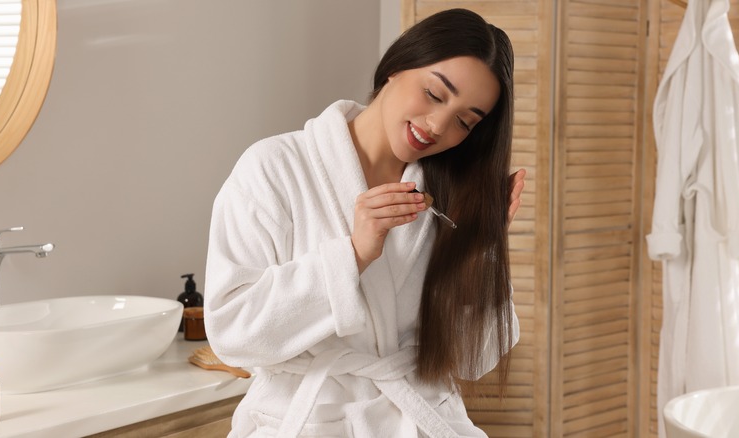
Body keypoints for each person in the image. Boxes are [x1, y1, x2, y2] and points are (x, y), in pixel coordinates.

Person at [204, 8, 526, 438]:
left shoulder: (447, 198)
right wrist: (352, 256)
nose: (437, 125)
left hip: (420, 420)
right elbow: (232, 334)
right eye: (433, 93)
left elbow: (474, 360)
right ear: (397, 65)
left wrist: (480, 249)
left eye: (464, 122)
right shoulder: (274, 168)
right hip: (310, 421)